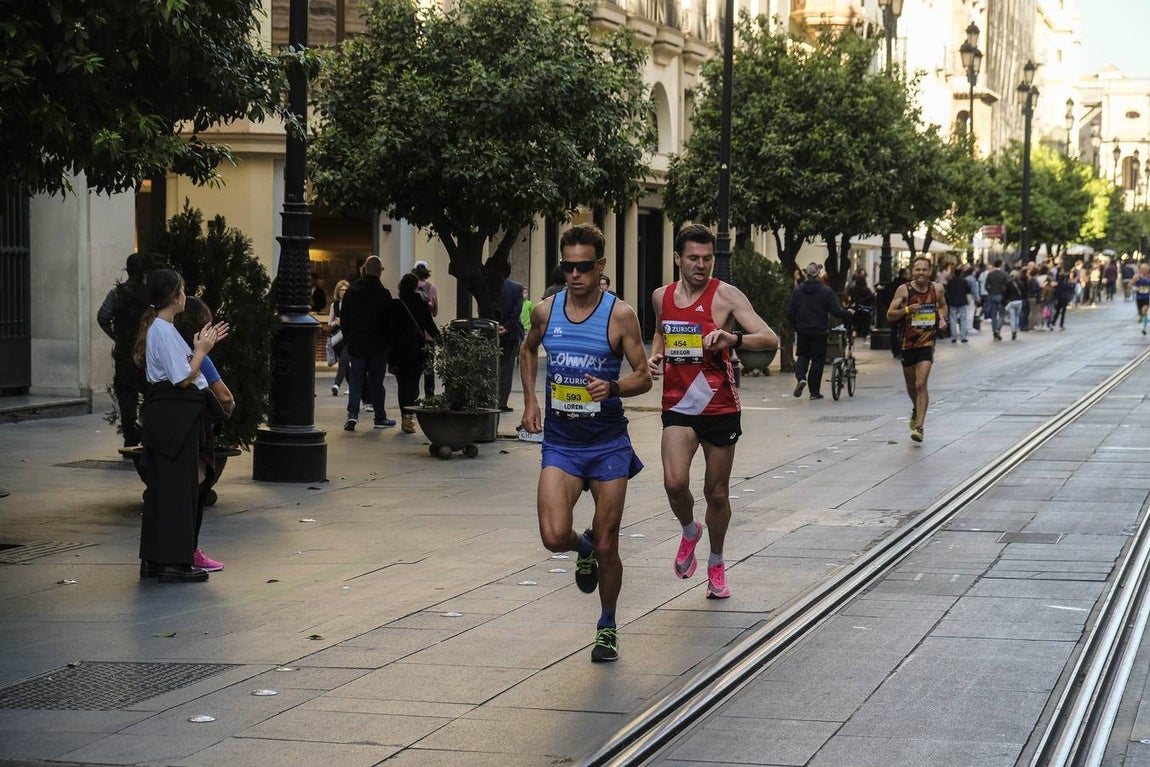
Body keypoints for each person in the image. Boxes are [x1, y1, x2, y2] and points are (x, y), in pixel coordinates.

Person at [519, 223, 652, 663]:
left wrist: (612, 388)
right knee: (554, 535)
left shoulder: (620, 315)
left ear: (600, 267)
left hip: (608, 443)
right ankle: (583, 549)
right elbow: (527, 350)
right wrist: (531, 400)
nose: (574, 275)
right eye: (567, 266)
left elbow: (643, 376)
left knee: (611, 542)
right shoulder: (545, 311)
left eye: (583, 267)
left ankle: (607, 625)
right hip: (561, 441)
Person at [648, 224, 779, 601]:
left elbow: (770, 338)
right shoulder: (662, 296)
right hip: (678, 403)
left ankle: (716, 563)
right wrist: (657, 355)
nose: (701, 265)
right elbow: (661, 331)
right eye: (693, 258)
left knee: (716, 493)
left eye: (707, 258)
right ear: (678, 258)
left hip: (719, 405)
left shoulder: (725, 295)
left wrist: (732, 338)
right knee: (675, 483)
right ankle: (690, 530)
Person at [132, 269, 229, 583]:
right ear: (175, 296)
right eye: (183, 290)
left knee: (164, 489)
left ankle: (155, 560)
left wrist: (200, 347)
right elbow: (183, 377)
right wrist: (202, 351)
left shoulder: (162, 328)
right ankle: (173, 563)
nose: (186, 295)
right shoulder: (162, 329)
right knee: (176, 490)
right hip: (175, 416)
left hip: (170, 416)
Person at [173, 296, 235, 573]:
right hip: (197, 431)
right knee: (197, 489)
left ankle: (182, 548)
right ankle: (190, 549)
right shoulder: (198, 358)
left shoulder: (172, 347)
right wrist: (226, 413)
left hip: (172, 430)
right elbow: (225, 396)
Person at [886, 255, 948, 443]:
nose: (921, 273)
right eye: (918, 269)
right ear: (913, 271)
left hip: (927, 342)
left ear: (930, 271)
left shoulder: (937, 289)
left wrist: (943, 318)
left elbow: (943, 306)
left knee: (921, 384)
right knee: (912, 386)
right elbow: (889, 315)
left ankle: (919, 427)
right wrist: (906, 310)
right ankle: (916, 408)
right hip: (907, 343)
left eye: (924, 269)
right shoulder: (904, 290)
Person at [339, 256, 396, 431]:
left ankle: (353, 415)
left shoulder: (352, 291)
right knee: (376, 382)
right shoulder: (383, 294)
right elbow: (389, 322)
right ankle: (379, 418)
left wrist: (349, 339)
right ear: (379, 270)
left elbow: (344, 319)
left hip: (357, 344)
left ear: (364, 269)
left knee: (356, 380)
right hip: (378, 346)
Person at [97, 254, 148, 447]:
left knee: (127, 397)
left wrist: (116, 336)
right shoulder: (150, 294)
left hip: (124, 352)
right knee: (151, 393)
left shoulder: (117, 293)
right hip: (145, 353)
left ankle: (130, 437)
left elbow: (103, 317)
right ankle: (144, 431)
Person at [786, 262, 852, 399]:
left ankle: (801, 378)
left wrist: (796, 325)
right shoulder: (825, 291)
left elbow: (790, 311)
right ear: (818, 274)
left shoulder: (798, 290)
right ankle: (814, 392)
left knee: (802, 355)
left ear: (807, 274)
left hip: (803, 330)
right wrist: (848, 313)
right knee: (817, 360)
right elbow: (836, 311)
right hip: (819, 330)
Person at [392, 273, 441, 433]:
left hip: (398, 350)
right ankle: (408, 417)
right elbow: (429, 323)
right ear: (414, 286)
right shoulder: (419, 303)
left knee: (401, 384)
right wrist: (441, 339)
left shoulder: (396, 304)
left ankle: (404, 416)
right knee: (413, 384)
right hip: (415, 349)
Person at [497, 261, 526, 412]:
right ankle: (502, 401)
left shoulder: (486, 287)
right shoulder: (517, 288)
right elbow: (517, 311)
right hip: (511, 334)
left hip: (491, 331)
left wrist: (495, 326)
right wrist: (507, 327)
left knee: (491, 366)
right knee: (506, 368)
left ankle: (489, 398)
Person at [413, 261, 439, 398]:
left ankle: (414, 394)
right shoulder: (432, 288)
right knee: (429, 367)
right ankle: (430, 395)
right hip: (428, 335)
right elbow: (435, 312)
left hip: (413, 334)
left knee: (415, 366)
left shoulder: (409, 288)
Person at [328, 280, 351, 396]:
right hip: (337, 338)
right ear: (338, 291)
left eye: (346, 290)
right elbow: (329, 323)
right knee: (345, 363)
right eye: (342, 290)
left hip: (348, 337)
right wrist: (335, 322)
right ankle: (352, 386)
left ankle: (336, 384)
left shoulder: (352, 304)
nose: (344, 292)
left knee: (343, 360)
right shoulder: (334, 305)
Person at [944, 264, 972, 343]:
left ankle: (954, 337)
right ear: (960, 273)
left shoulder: (950, 282)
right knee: (963, 319)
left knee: (953, 319)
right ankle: (963, 337)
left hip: (952, 302)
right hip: (962, 302)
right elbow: (968, 290)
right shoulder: (964, 281)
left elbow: (947, 291)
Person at [983, 260, 1007, 341]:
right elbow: (1006, 286)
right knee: (1002, 314)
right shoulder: (1004, 274)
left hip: (992, 295)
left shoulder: (990, 274)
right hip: (1001, 295)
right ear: (1000, 265)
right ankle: (998, 329)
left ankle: (994, 331)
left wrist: (990, 292)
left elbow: (986, 286)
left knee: (993, 315)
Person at [846, 270, 873, 340]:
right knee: (865, 321)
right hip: (865, 310)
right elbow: (871, 299)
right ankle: (864, 335)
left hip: (855, 309)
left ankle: (855, 331)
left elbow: (849, 298)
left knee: (855, 320)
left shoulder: (853, 289)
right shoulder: (867, 290)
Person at [1004, 268, 1025, 340]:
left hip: (1011, 301)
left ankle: (1013, 331)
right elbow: (1023, 292)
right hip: (1019, 301)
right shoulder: (1021, 283)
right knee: (1017, 317)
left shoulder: (1009, 283)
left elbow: (1006, 293)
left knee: (1012, 318)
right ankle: (1016, 329)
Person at [1133, 263, 1150, 334]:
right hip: (1139, 298)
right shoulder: (1137, 277)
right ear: (1140, 269)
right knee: (1141, 313)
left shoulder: (1149, 277)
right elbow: (1130, 284)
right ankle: (1141, 317)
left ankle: (1144, 328)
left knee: (1144, 311)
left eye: (1146, 269)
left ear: (1148, 269)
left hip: (1146, 297)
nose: (1144, 270)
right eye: (1142, 269)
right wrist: (1135, 288)